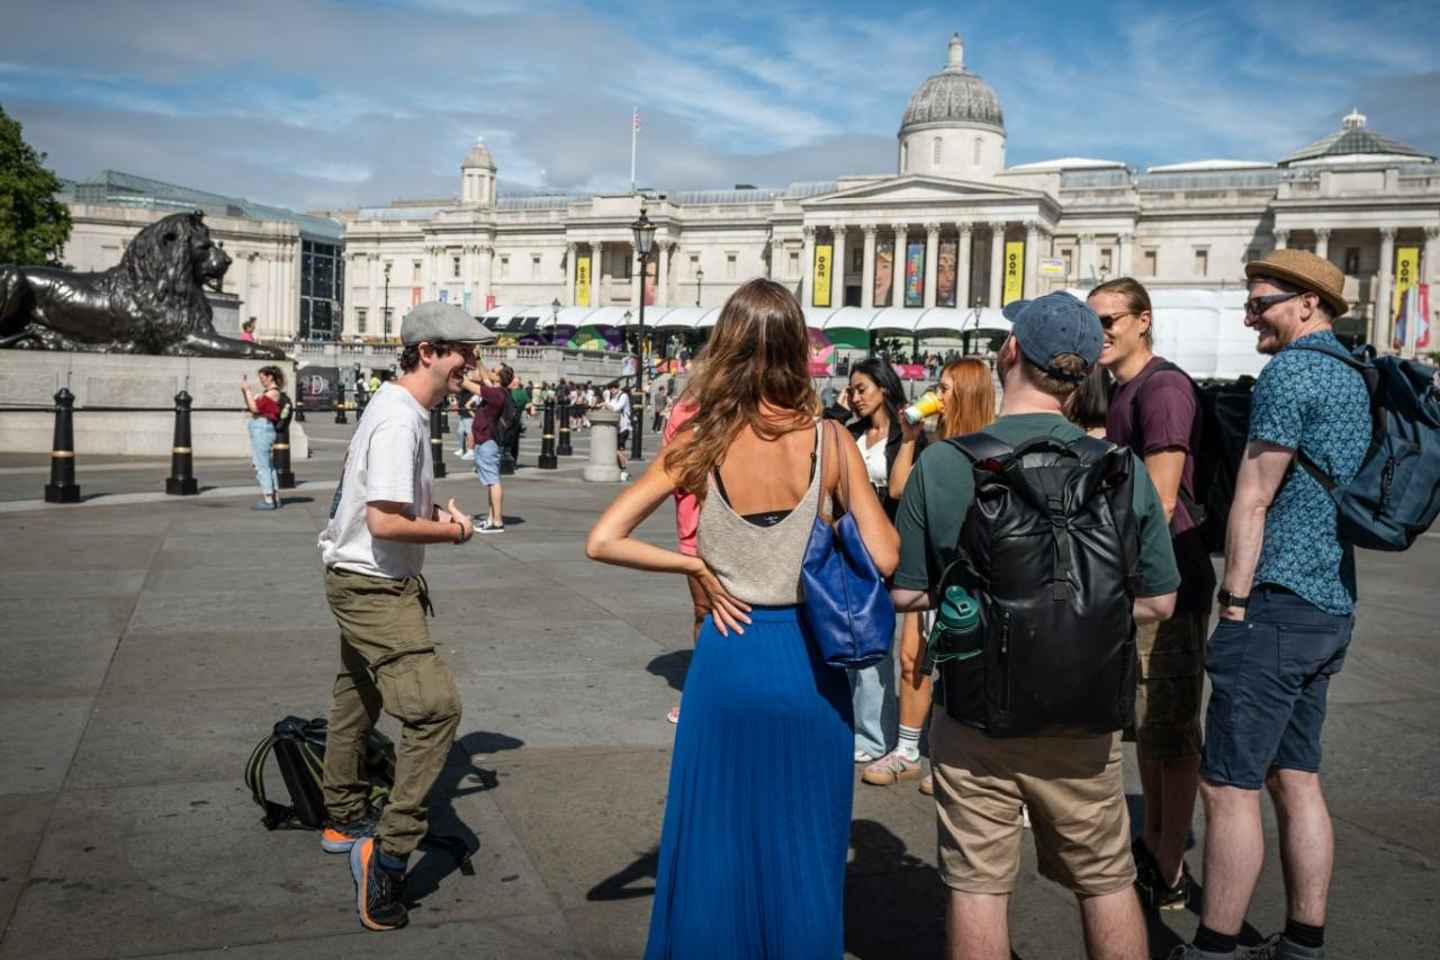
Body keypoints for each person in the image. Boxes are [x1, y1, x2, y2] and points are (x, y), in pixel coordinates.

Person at [586, 278, 898, 957]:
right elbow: (885, 553)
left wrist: (699, 567)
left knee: (715, 844)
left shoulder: (700, 441)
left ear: (725, 348)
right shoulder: (830, 440)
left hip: (728, 657)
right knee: (804, 848)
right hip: (809, 663)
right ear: (794, 351)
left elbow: (603, 539)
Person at [891, 292, 1179, 960]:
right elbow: (1160, 602)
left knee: (978, 886)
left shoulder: (945, 462)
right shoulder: (1122, 467)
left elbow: (906, 593)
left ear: (1011, 351)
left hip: (976, 712)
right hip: (1085, 709)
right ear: (1084, 371)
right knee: (1106, 879)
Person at [1175, 251, 1368, 960]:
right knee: (1297, 777)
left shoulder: (1292, 372)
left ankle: (1215, 946)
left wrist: (1233, 603)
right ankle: (1304, 940)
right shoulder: (1354, 371)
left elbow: (1253, 498)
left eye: (1261, 303)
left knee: (1228, 786)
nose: (1249, 316)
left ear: (1309, 303)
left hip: (1276, 602)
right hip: (1331, 599)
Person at [316, 301, 484, 932]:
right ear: (427, 352)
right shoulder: (398, 419)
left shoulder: (398, 408)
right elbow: (385, 521)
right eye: (463, 351)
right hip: (374, 586)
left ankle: (342, 815)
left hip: (360, 574)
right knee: (435, 710)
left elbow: (385, 503)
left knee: (357, 697)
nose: (472, 362)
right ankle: (386, 859)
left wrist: (432, 512)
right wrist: (453, 531)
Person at [1086, 277, 1216, 915]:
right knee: (1155, 728)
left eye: (1110, 320)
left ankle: (1169, 864)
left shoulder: (1162, 389)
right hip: (1146, 581)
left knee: (1171, 728)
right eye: (1093, 323)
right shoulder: (1122, 389)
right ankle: (1157, 842)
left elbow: (1161, 501)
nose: (1100, 333)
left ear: (1143, 320)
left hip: (1170, 582)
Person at [864, 357, 996, 794]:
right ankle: (907, 750)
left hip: (968, 577)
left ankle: (955, 758)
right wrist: (909, 438)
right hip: (928, 571)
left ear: (968, 395)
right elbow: (899, 489)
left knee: (962, 667)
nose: (936, 396)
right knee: (911, 660)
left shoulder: (989, 447)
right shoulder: (933, 446)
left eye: (945, 389)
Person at [846, 357, 924, 763]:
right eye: (852, 390)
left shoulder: (907, 437)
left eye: (862, 389)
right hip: (850, 546)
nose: (855, 397)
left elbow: (903, 492)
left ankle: (874, 736)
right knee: (850, 641)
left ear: (884, 387)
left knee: (876, 645)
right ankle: (854, 726)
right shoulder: (851, 433)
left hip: (889, 547)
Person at [462, 361, 513, 534]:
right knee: (491, 482)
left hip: (488, 441)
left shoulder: (496, 394)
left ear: (498, 377)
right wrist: (477, 359)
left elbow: (468, 384)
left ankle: (497, 522)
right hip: (486, 441)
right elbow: (484, 376)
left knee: (493, 481)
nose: (489, 371)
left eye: (493, 370)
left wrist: (455, 372)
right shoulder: (498, 391)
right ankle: (492, 518)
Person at [240, 365, 285, 510]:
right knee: (268, 465)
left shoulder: (272, 393)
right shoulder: (269, 393)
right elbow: (252, 406)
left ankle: (268, 499)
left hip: (262, 429)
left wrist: (247, 390)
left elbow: (254, 409)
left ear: (270, 377)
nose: (261, 381)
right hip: (262, 428)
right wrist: (245, 392)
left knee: (261, 465)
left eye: (262, 378)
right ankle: (275, 498)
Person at [608, 382, 633, 481]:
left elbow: (616, 408)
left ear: (618, 388)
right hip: (617, 427)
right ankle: (621, 469)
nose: (612, 390)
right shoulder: (614, 397)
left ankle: (623, 468)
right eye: (611, 389)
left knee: (618, 450)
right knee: (617, 449)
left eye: (614, 388)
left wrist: (606, 404)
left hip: (624, 427)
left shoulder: (623, 396)